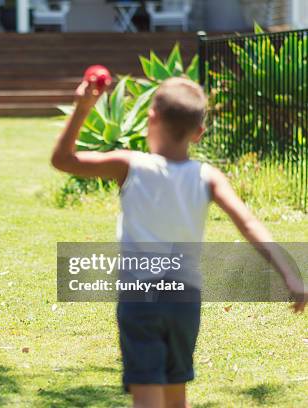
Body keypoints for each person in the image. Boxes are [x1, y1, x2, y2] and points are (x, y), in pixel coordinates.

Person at [51, 76, 306, 408]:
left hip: (140, 298)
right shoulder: (208, 176)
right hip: (184, 301)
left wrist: (83, 107)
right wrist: (289, 272)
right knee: (175, 395)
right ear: (199, 132)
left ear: (151, 117)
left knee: (146, 397)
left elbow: (63, 160)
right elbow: (248, 224)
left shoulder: (129, 165)